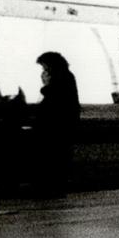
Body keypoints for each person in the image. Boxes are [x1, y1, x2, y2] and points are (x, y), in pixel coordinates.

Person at [33, 51, 80, 199]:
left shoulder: (60, 77)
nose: (43, 70)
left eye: (44, 67)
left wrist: (45, 85)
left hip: (54, 127)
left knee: (50, 158)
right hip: (64, 126)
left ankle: (49, 189)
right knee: (60, 158)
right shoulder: (68, 76)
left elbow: (53, 98)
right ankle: (57, 189)